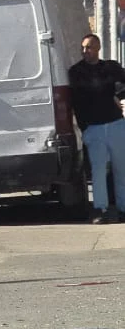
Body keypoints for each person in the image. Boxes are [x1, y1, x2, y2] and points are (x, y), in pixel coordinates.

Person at [68, 31, 125, 222]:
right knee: (99, 170)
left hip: (115, 124)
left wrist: (119, 97)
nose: (86, 51)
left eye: (89, 47)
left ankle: (122, 207)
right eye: (83, 48)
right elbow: (74, 101)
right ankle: (101, 209)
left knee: (121, 168)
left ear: (98, 48)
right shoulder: (76, 72)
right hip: (93, 127)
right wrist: (84, 128)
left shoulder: (111, 68)